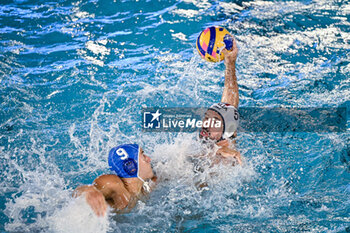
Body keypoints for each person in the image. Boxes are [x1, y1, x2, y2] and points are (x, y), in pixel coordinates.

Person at [73, 144, 156, 217]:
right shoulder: (114, 184)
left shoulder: (145, 187)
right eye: (143, 156)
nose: (149, 159)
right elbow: (78, 194)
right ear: (131, 167)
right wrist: (89, 191)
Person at [199, 36, 242, 165]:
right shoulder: (211, 142)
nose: (206, 124)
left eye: (215, 122)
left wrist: (216, 152)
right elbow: (229, 105)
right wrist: (230, 63)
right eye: (207, 118)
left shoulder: (228, 160)